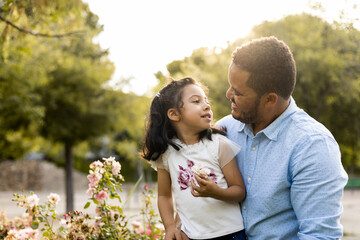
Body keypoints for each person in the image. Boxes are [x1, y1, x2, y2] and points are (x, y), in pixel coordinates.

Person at [191, 36, 348, 239]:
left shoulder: (312, 146)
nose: (228, 94)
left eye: (238, 92)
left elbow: (318, 235)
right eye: (230, 86)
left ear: (269, 99)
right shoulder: (225, 129)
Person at [141, 77, 247, 240]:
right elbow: (164, 196)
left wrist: (216, 192)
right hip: (191, 235)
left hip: (229, 234)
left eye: (206, 100)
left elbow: (239, 191)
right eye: (196, 101)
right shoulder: (167, 154)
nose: (207, 105)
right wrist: (170, 227)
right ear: (174, 114)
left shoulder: (219, 145)